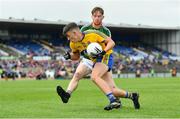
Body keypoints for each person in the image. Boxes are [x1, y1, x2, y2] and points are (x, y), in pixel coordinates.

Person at [56, 22, 140, 110]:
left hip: (104, 57)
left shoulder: (93, 34)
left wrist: (103, 52)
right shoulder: (73, 43)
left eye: (69, 36)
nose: (68, 39)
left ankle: (113, 100)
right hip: (90, 60)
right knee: (78, 75)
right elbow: (76, 56)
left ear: (75, 33)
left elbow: (111, 43)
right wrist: (69, 56)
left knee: (95, 77)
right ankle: (67, 94)